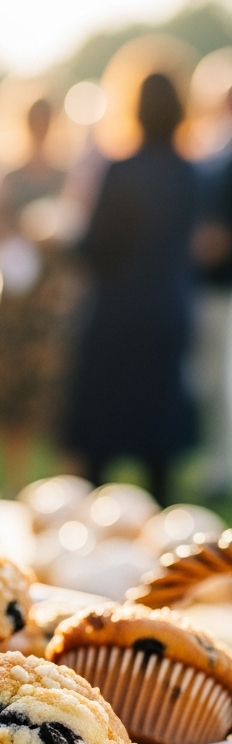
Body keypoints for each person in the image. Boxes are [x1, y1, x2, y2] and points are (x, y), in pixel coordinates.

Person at [64, 74, 198, 507]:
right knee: (157, 431)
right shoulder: (189, 173)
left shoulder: (119, 171)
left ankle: (90, 528)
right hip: (169, 309)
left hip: (117, 314)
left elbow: (93, 249)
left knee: (101, 432)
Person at [0, 99, 79, 495]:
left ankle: (61, 491)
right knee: (15, 397)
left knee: (58, 396)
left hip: (55, 303)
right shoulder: (9, 175)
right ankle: (15, 485)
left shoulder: (68, 175)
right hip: (18, 300)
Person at [192, 82, 232, 500]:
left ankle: (221, 467)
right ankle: (216, 463)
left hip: (222, 282)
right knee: (212, 382)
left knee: (222, 383)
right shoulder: (212, 147)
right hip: (210, 285)